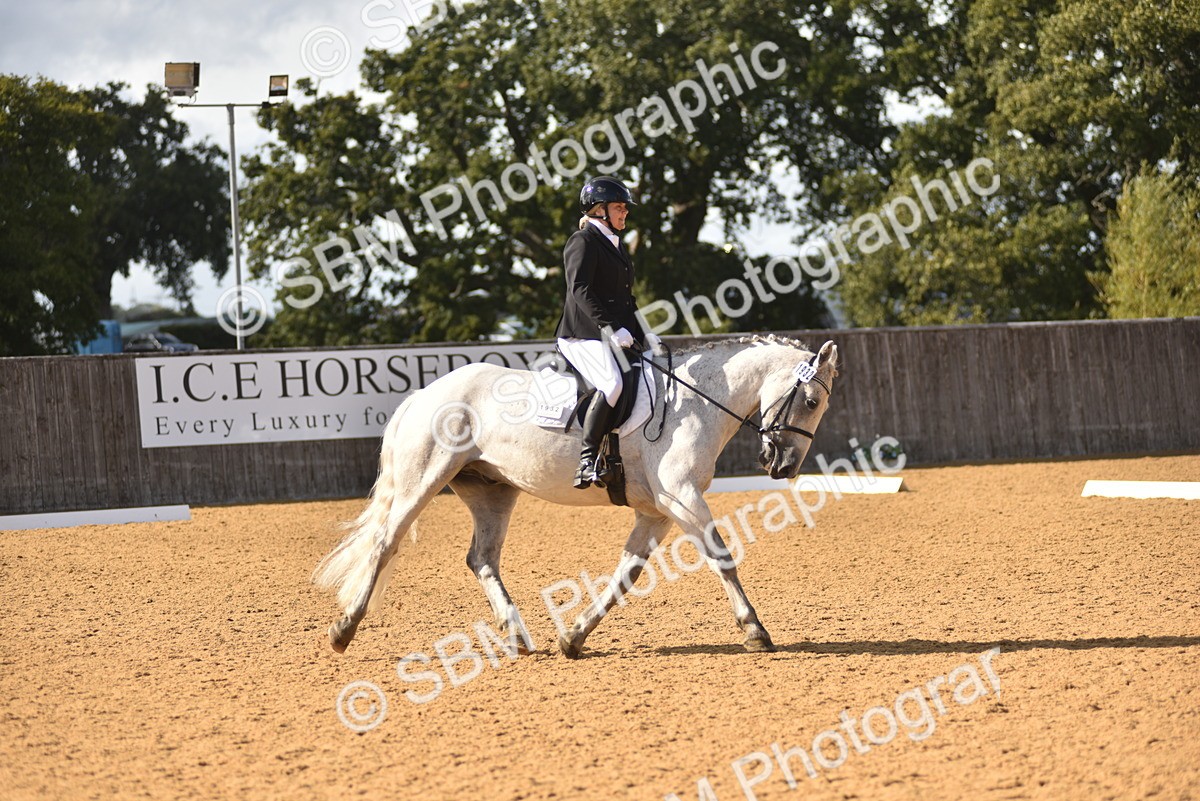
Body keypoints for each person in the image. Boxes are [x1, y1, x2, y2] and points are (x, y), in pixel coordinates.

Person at [556, 175, 661, 489]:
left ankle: (616, 455)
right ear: (598, 209)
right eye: (619, 207)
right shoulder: (583, 240)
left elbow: (626, 300)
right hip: (581, 334)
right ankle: (587, 459)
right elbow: (580, 290)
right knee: (612, 383)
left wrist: (644, 334)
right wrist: (611, 328)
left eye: (625, 208)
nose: (624, 213)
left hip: (608, 333)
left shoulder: (615, 244)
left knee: (641, 375)